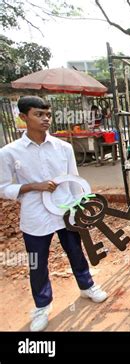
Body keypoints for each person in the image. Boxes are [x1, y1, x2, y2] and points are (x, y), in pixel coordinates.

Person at [0, 96, 108, 332]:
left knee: (76, 252)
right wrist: (32, 186)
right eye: (38, 114)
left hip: (65, 211)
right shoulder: (9, 152)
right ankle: (41, 306)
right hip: (35, 217)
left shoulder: (64, 148)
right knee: (37, 263)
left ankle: (87, 286)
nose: (45, 119)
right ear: (23, 117)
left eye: (48, 114)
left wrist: (80, 209)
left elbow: (74, 181)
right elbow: (3, 187)